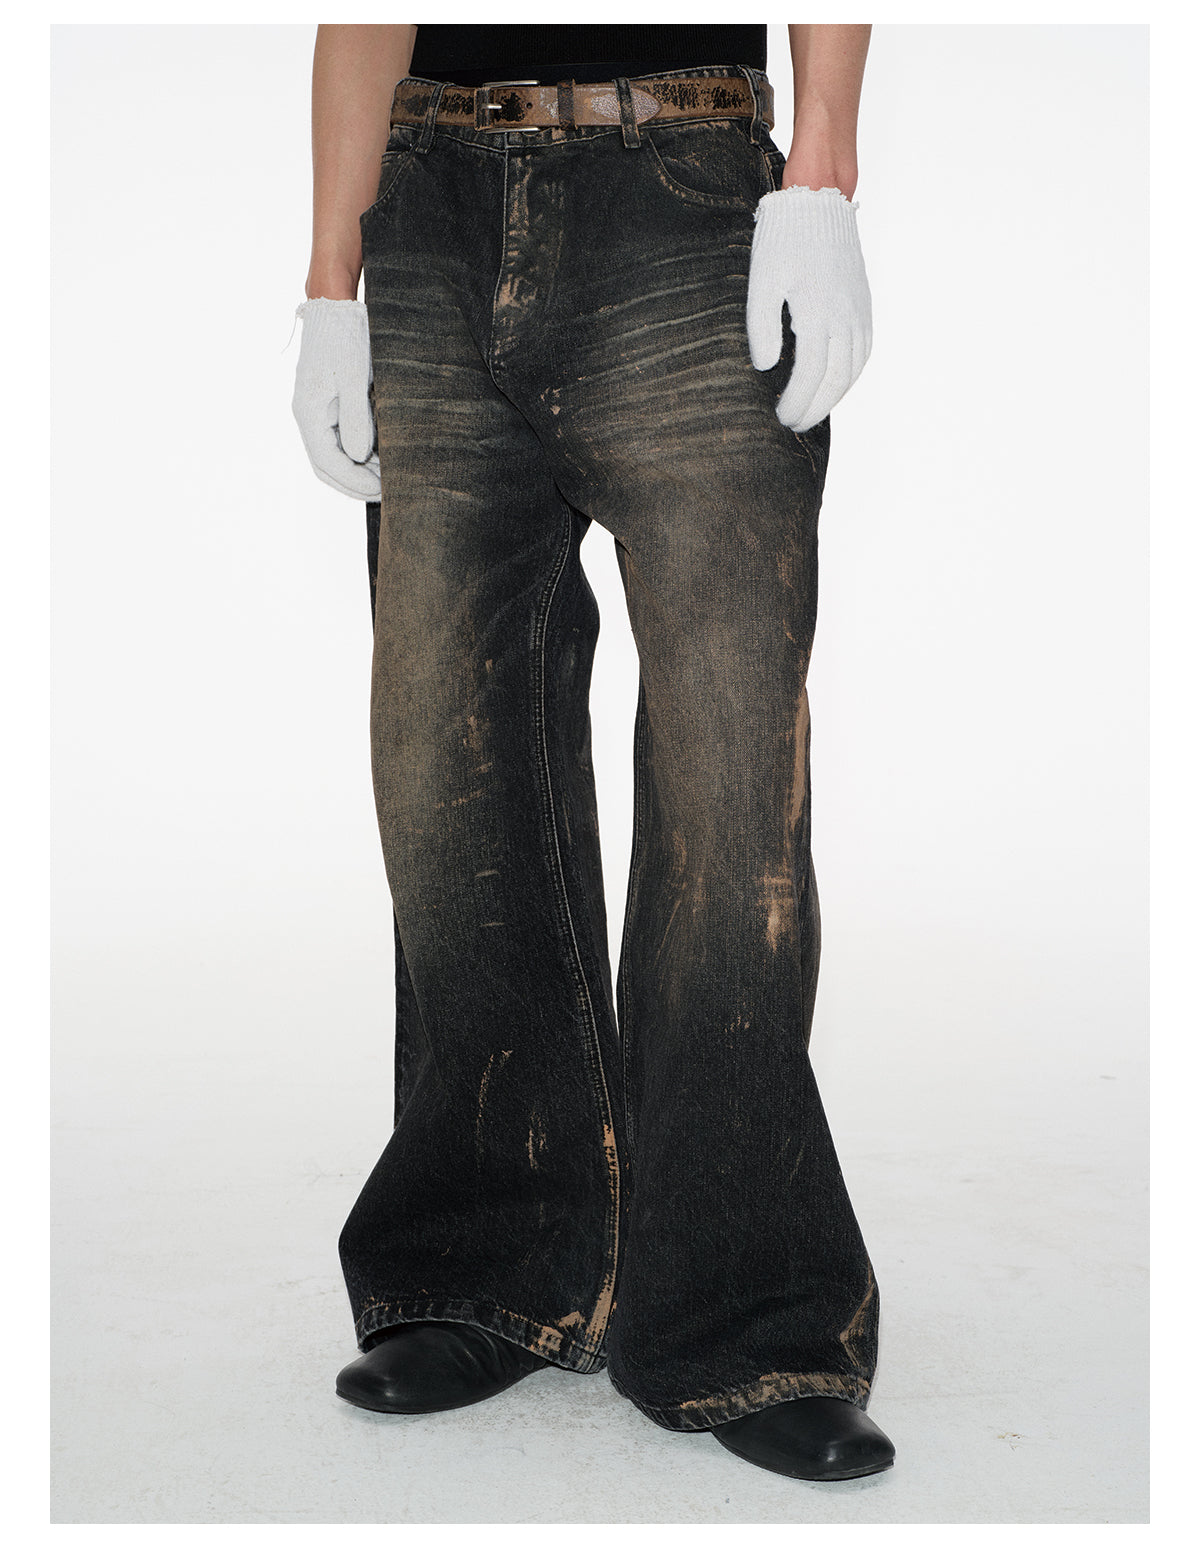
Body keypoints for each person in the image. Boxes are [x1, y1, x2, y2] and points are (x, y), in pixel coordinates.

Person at [291, 22, 894, 1484]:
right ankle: (489, 1264)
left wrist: (820, 175)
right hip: (431, 205)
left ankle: (746, 1316)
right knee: (446, 766)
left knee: (729, 776)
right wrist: (331, 279)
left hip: (678, 194)